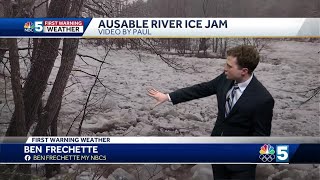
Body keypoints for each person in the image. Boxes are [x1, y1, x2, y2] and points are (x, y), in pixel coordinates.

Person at [147, 45, 274, 180]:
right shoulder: (225, 79)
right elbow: (201, 89)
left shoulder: (263, 99)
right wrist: (167, 96)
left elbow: (261, 138)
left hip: (240, 166)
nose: (225, 68)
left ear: (244, 71)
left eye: (229, 66)